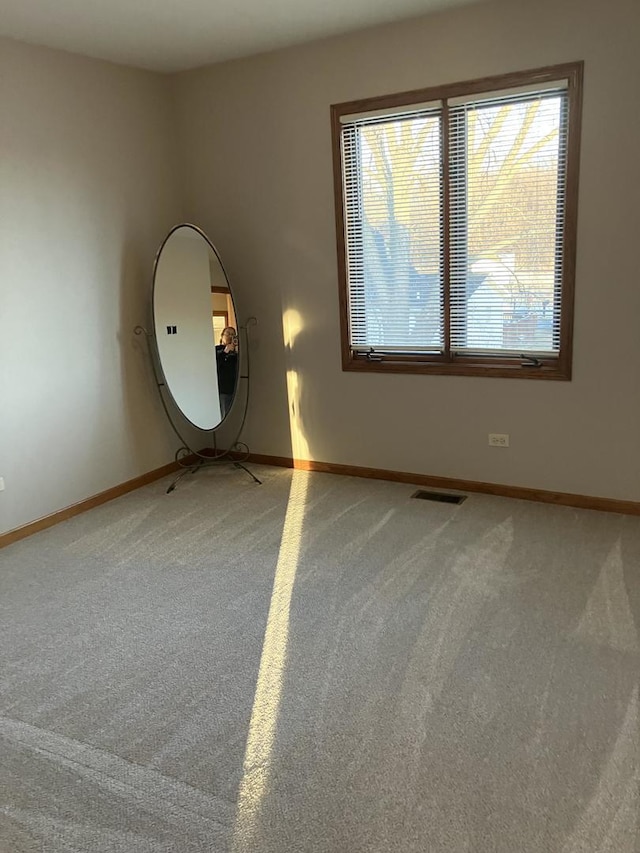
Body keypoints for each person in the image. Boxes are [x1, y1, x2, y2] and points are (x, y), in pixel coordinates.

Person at [215, 326, 239, 418]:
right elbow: (216, 364)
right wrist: (226, 352)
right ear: (222, 336)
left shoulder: (237, 351)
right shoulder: (217, 350)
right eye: (228, 334)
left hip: (237, 388)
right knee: (225, 415)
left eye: (233, 334)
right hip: (224, 390)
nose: (231, 336)